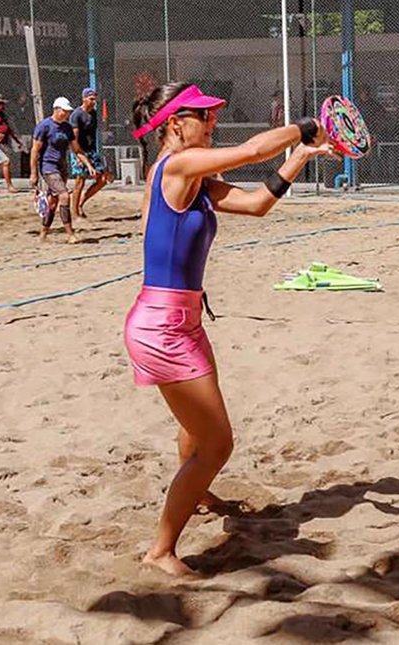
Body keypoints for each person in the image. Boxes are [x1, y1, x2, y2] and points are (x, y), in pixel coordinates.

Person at [125, 81, 332, 577]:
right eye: (204, 115)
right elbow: (252, 150)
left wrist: (300, 157)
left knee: (195, 430)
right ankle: (160, 551)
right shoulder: (176, 167)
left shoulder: (194, 179)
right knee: (218, 443)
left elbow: (257, 202)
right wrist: (305, 123)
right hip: (162, 326)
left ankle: (198, 492)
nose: (213, 122)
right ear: (175, 124)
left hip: (183, 320)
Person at [29, 97, 93, 244]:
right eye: (64, 111)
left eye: (68, 111)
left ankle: (43, 234)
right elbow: (35, 151)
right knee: (65, 195)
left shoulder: (67, 128)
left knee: (53, 202)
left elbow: (76, 150)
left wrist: (88, 165)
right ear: (56, 109)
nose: (66, 114)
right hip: (48, 167)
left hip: (62, 168)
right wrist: (33, 174)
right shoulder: (44, 126)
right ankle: (70, 233)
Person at [69, 87, 113, 219]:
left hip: (91, 151)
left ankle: (81, 203)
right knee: (79, 182)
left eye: (95, 99)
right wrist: (77, 155)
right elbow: (73, 138)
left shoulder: (93, 113)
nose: (94, 101)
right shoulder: (76, 115)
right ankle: (75, 211)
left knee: (103, 179)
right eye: (91, 99)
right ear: (84, 99)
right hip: (79, 151)